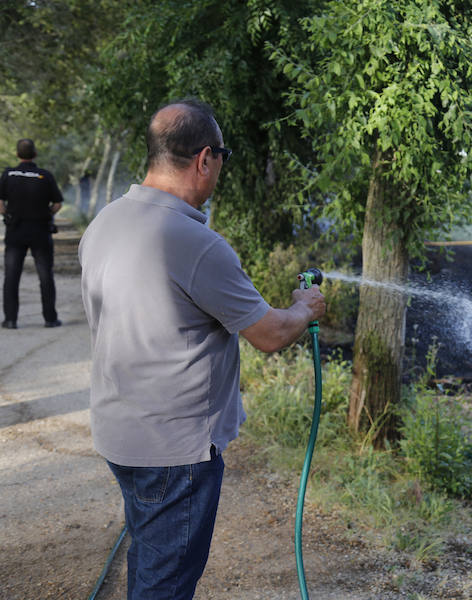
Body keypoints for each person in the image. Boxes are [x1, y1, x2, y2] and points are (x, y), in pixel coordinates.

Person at [79, 99, 326, 599]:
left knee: (150, 558)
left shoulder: (105, 222)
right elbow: (270, 334)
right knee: (165, 585)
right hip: (175, 452)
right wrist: (304, 308)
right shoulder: (193, 242)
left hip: (120, 434)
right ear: (205, 158)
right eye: (221, 158)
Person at [0, 138, 64, 329]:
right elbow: (58, 203)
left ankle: (11, 320)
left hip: (15, 231)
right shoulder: (44, 175)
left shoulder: (8, 174)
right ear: (35, 154)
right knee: (45, 276)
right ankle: (50, 319)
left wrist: (7, 214)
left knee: (11, 276)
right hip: (40, 232)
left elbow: (0, 202)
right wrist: (46, 214)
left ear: (18, 154)